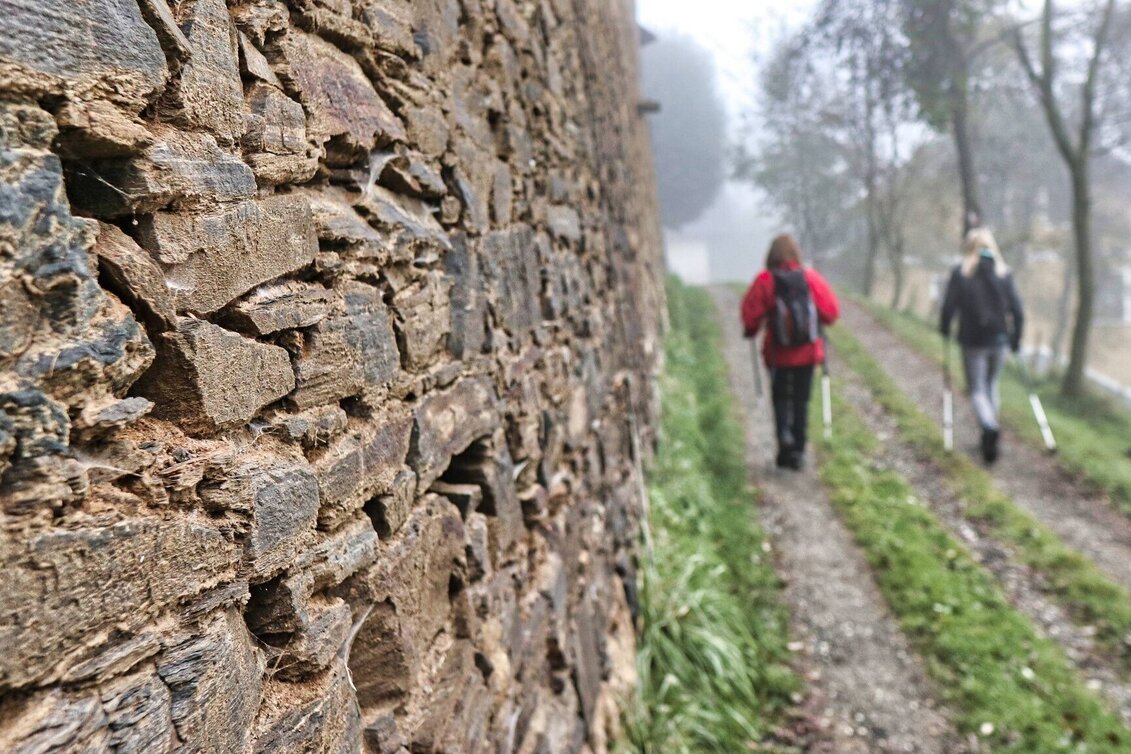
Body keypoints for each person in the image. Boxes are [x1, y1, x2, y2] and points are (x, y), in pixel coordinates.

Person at [741, 234, 840, 470]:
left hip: (777, 354)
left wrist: (751, 330)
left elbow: (750, 316)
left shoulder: (765, 280)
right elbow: (831, 312)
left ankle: (784, 441)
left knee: (780, 398)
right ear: (796, 254)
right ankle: (799, 451)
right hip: (807, 353)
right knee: (801, 401)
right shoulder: (810, 278)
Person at [939, 227, 1025, 464]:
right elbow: (1017, 310)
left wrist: (945, 328)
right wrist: (1016, 339)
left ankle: (989, 427)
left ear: (969, 247)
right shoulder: (1004, 273)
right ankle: (990, 430)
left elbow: (949, 306)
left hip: (973, 341)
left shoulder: (961, 273)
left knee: (977, 389)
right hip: (999, 340)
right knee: (991, 385)